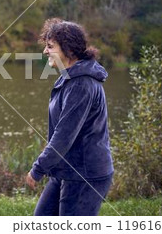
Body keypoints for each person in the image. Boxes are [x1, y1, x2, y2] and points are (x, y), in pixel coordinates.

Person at [25, 18, 114, 216]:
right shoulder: (70, 77)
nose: (45, 51)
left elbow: (64, 135)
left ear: (69, 49)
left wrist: (38, 169)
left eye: (50, 46)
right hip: (66, 169)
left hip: (85, 175)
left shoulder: (81, 85)